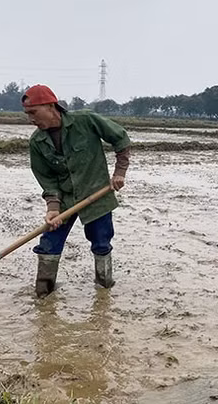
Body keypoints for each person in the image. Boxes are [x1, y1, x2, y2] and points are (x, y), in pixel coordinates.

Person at [21, 84, 131, 296]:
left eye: (33, 112)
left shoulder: (86, 121)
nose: (31, 119)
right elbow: (48, 179)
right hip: (65, 201)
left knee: (101, 243)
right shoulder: (37, 142)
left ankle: (104, 290)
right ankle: (43, 295)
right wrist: (53, 208)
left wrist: (120, 172)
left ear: (51, 106)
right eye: (27, 114)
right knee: (48, 245)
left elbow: (121, 138)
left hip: (96, 196)